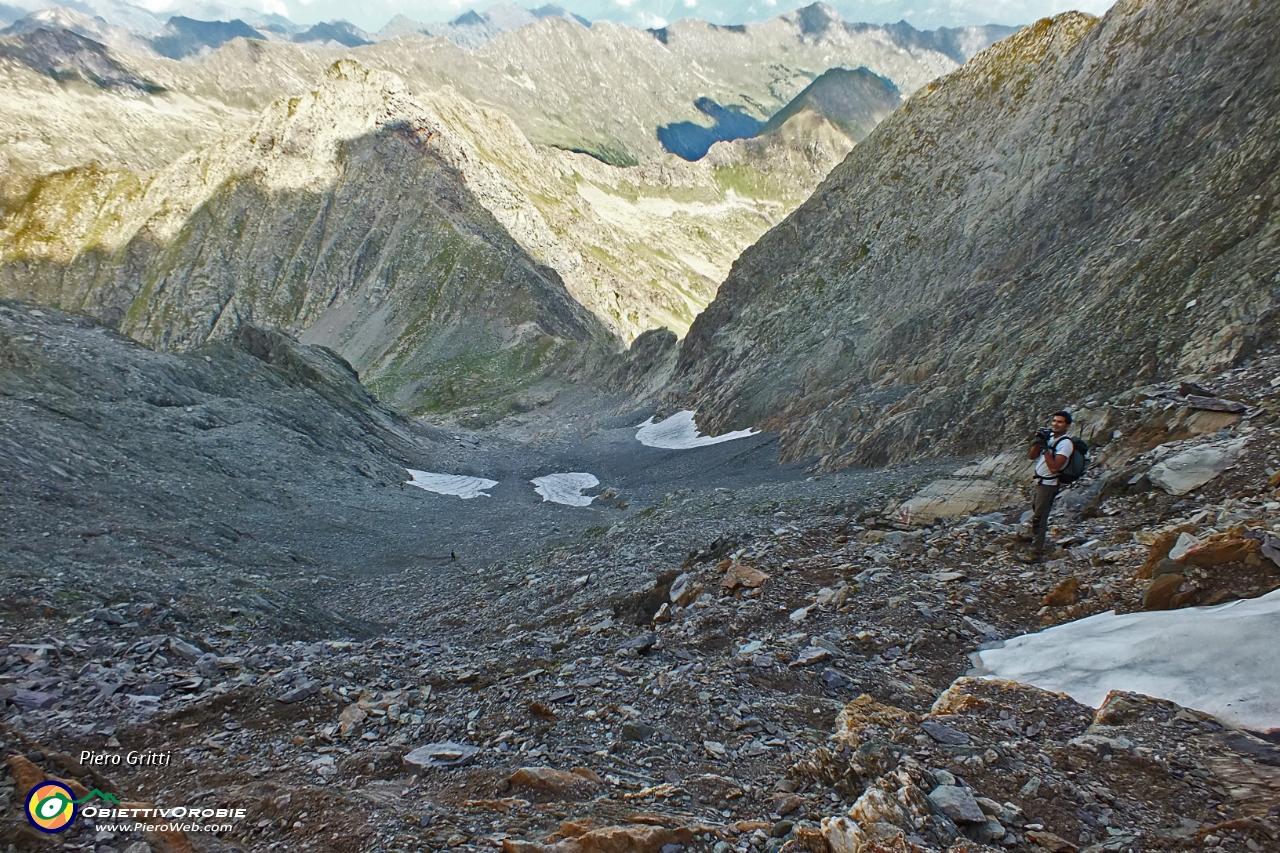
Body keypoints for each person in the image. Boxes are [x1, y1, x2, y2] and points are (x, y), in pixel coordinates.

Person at [1022, 410, 1074, 562]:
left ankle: (1035, 553)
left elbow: (1055, 468)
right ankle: (1035, 541)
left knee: (1040, 518)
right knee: (1036, 513)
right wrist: (1039, 442)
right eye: (1054, 421)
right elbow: (1032, 456)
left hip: (1049, 484)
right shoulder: (1050, 438)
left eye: (1060, 422)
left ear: (1067, 425)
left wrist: (1045, 449)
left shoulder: (1065, 444)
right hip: (1039, 483)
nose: (1055, 424)